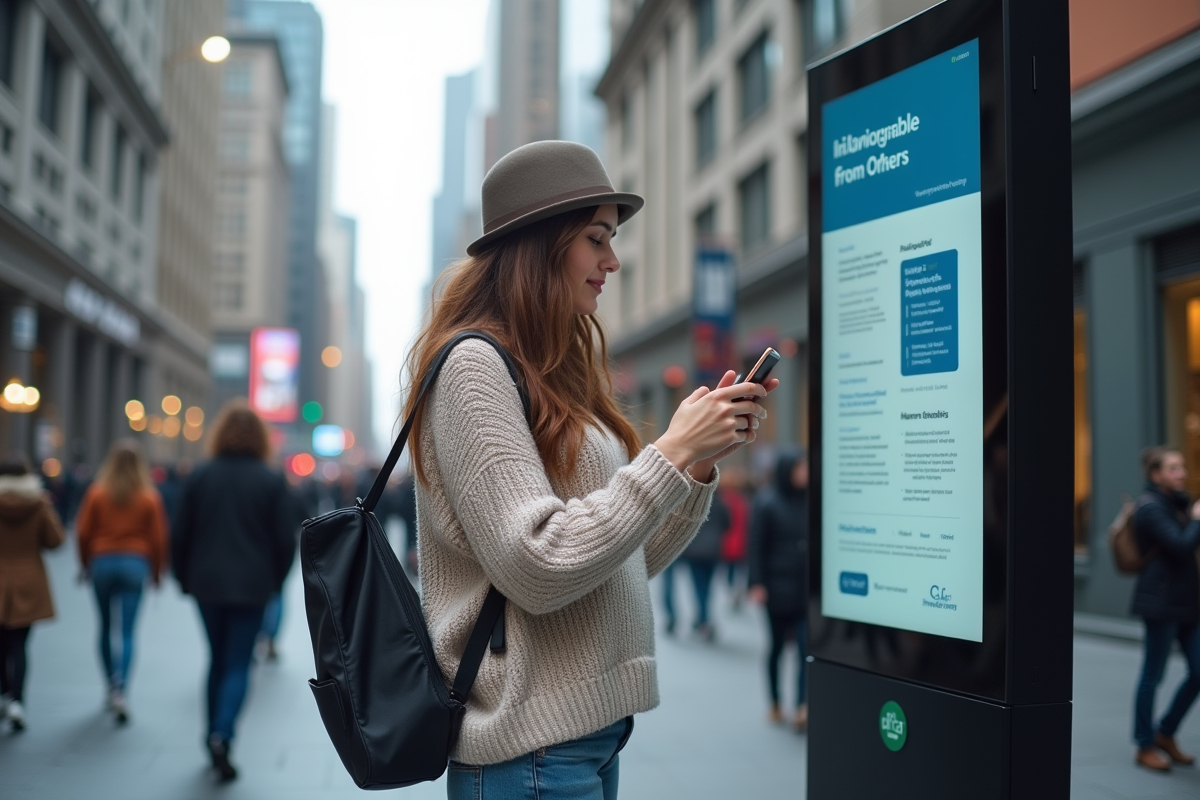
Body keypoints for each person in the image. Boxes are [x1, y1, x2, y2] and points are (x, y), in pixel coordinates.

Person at [405, 140, 775, 800]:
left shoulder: (556, 372)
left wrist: (692, 464)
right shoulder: (474, 369)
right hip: (529, 749)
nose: (614, 260)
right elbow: (539, 565)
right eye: (597, 238)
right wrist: (665, 455)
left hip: (587, 738)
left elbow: (616, 562)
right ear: (541, 245)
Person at [172, 401, 297, 782]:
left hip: (207, 584)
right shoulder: (271, 480)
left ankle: (212, 732)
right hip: (253, 585)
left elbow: (180, 533)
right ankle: (222, 733)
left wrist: (183, 577)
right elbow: (284, 541)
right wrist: (276, 581)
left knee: (217, 657)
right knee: (239, 662)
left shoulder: (200, 476)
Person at [75, 440, 169, 725]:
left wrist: (84, 564)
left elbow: (82, 532)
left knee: (105, 627)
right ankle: (122, 689)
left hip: (102, 562)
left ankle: (109, 684)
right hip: (134, 563)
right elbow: (159, 538)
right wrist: (156, 572)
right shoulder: (148, 497)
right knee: (127, 632)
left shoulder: (97, 493)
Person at [1130, 446, 1200, 771]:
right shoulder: (1150, 509)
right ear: (1156, 475)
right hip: (1160, 602)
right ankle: (1144, 744)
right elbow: (1180, 546)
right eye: (1173, 468)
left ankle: (1165, 732)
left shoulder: (1176, 504)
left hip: (1188, 602)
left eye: (1182, 467)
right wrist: (1197, 520)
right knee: (1152, 675)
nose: (1181, 473)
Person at [0, 453, 65, 732]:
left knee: (0, 645)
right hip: (29, 581)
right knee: (20, 645)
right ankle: (18, 700)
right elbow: (55, 541)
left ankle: (4, 694)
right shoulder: (38, 503)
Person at [747, 448, 809, 731]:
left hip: (805, 590)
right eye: (799, 468)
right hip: (776, 588)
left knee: (806, 648)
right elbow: (756, 546)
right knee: (776, 648)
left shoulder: (811, 500)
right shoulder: (767, 502)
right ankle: (774, 701)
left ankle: (802, 705)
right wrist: (756, 583)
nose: (804, 474)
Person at [679, 491, 730, 642]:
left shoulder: (695, 503)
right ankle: (704, 618)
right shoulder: (720, 503)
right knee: (707, 587)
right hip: (713, 550)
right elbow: (728, 524)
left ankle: (702, 619)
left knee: (698, 586)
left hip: (695, 551)